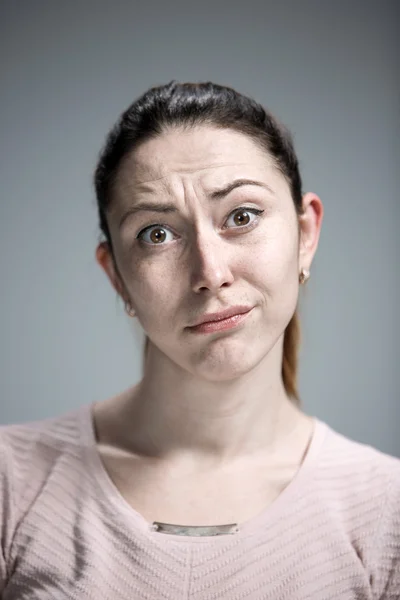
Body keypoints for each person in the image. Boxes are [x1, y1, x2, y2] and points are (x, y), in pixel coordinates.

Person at [0, 81, 399, 599]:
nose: (210, 273)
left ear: (306, 235)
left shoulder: (386, 511)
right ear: (117, 276)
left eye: (241, 216)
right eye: (156, 234)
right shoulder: (12, 483)